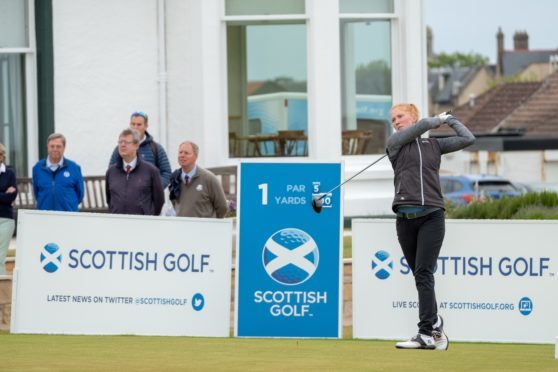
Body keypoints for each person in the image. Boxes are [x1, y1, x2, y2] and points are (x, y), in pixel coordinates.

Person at [386, 104, 475, 350]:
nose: (396, 121)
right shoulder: (395, 144)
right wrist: (437, 119)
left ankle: (425, 332)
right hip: (405, 220)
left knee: (424, 273)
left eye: (400, 116)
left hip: (432, 216)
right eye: (393, 118)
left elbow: (468, 138)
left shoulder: (434, 145)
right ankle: (435, 324)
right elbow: (424, 125)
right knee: (420, 276)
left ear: (412, 116)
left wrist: (451, 120)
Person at [106, 128, 164, 216]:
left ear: (136, 146)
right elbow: (109, 199)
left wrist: (149, 216)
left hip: (142, 224)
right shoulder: (111, 172)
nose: (122, 145)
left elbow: (159, 200)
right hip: (117, 224)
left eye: (126, 142)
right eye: (120, 142)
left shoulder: (151, 171)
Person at [108, 111, 172, 188]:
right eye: (133, 124)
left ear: (146, 126)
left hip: (149, 199)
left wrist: (155, 189)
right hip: (126, 197)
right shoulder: (120, 148)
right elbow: (111, 172)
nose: (135, 127)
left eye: (139, 124)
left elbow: (166, 173)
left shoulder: (156, 148)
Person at [168, 141, 228, 218]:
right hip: (182, 228)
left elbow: (222, 207)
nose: (182, 155)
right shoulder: (175, 178)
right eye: (180, 152)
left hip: (204, 228)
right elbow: (175, 204)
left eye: (186, 153)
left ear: (196, 157)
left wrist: (212, 224)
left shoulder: (209, 178)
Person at [32, 133, 84, 211]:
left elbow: (80, 194)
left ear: (64, 148)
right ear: (47, 147)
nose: (55, 149)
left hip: (68, 216)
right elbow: (36, 192)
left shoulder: (74, 168)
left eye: (58, 146)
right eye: (52, 146)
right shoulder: (37, 168)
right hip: (45, 216)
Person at [0, 143, 17, 275]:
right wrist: (4, 194)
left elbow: (12, 196)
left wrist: (7, 196)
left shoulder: (9, 173)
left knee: (0, 257)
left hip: (6, 220)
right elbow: (6, 196)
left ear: (2, 156)